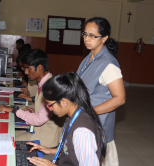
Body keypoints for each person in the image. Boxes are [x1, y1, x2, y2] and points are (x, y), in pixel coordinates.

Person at [27, 72, 107, 166]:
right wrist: (49, 150)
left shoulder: (81, 132)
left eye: (50, 105)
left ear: (64, 102)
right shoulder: (73, 115)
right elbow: (72, 151)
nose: (50, 109)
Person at [76, 17, 126, 166]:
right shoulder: (88, 58)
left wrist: (90, 112)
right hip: (84, 121)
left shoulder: (108, 63)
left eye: (92, 35)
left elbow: (120, 98)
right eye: (85, 34)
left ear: (104, 38)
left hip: (98, 124)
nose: (87, 39)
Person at [0, 49, 63, 147]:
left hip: (44, 137)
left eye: (28, 68)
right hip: (37, 130)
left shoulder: (50, 88)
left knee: (4, 143)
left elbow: (39, 120)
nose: (26, 72)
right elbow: (43, 112)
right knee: (4, 135)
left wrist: (14, 110)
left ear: (39, 67)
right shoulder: (44, 82)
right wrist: (35, 110)